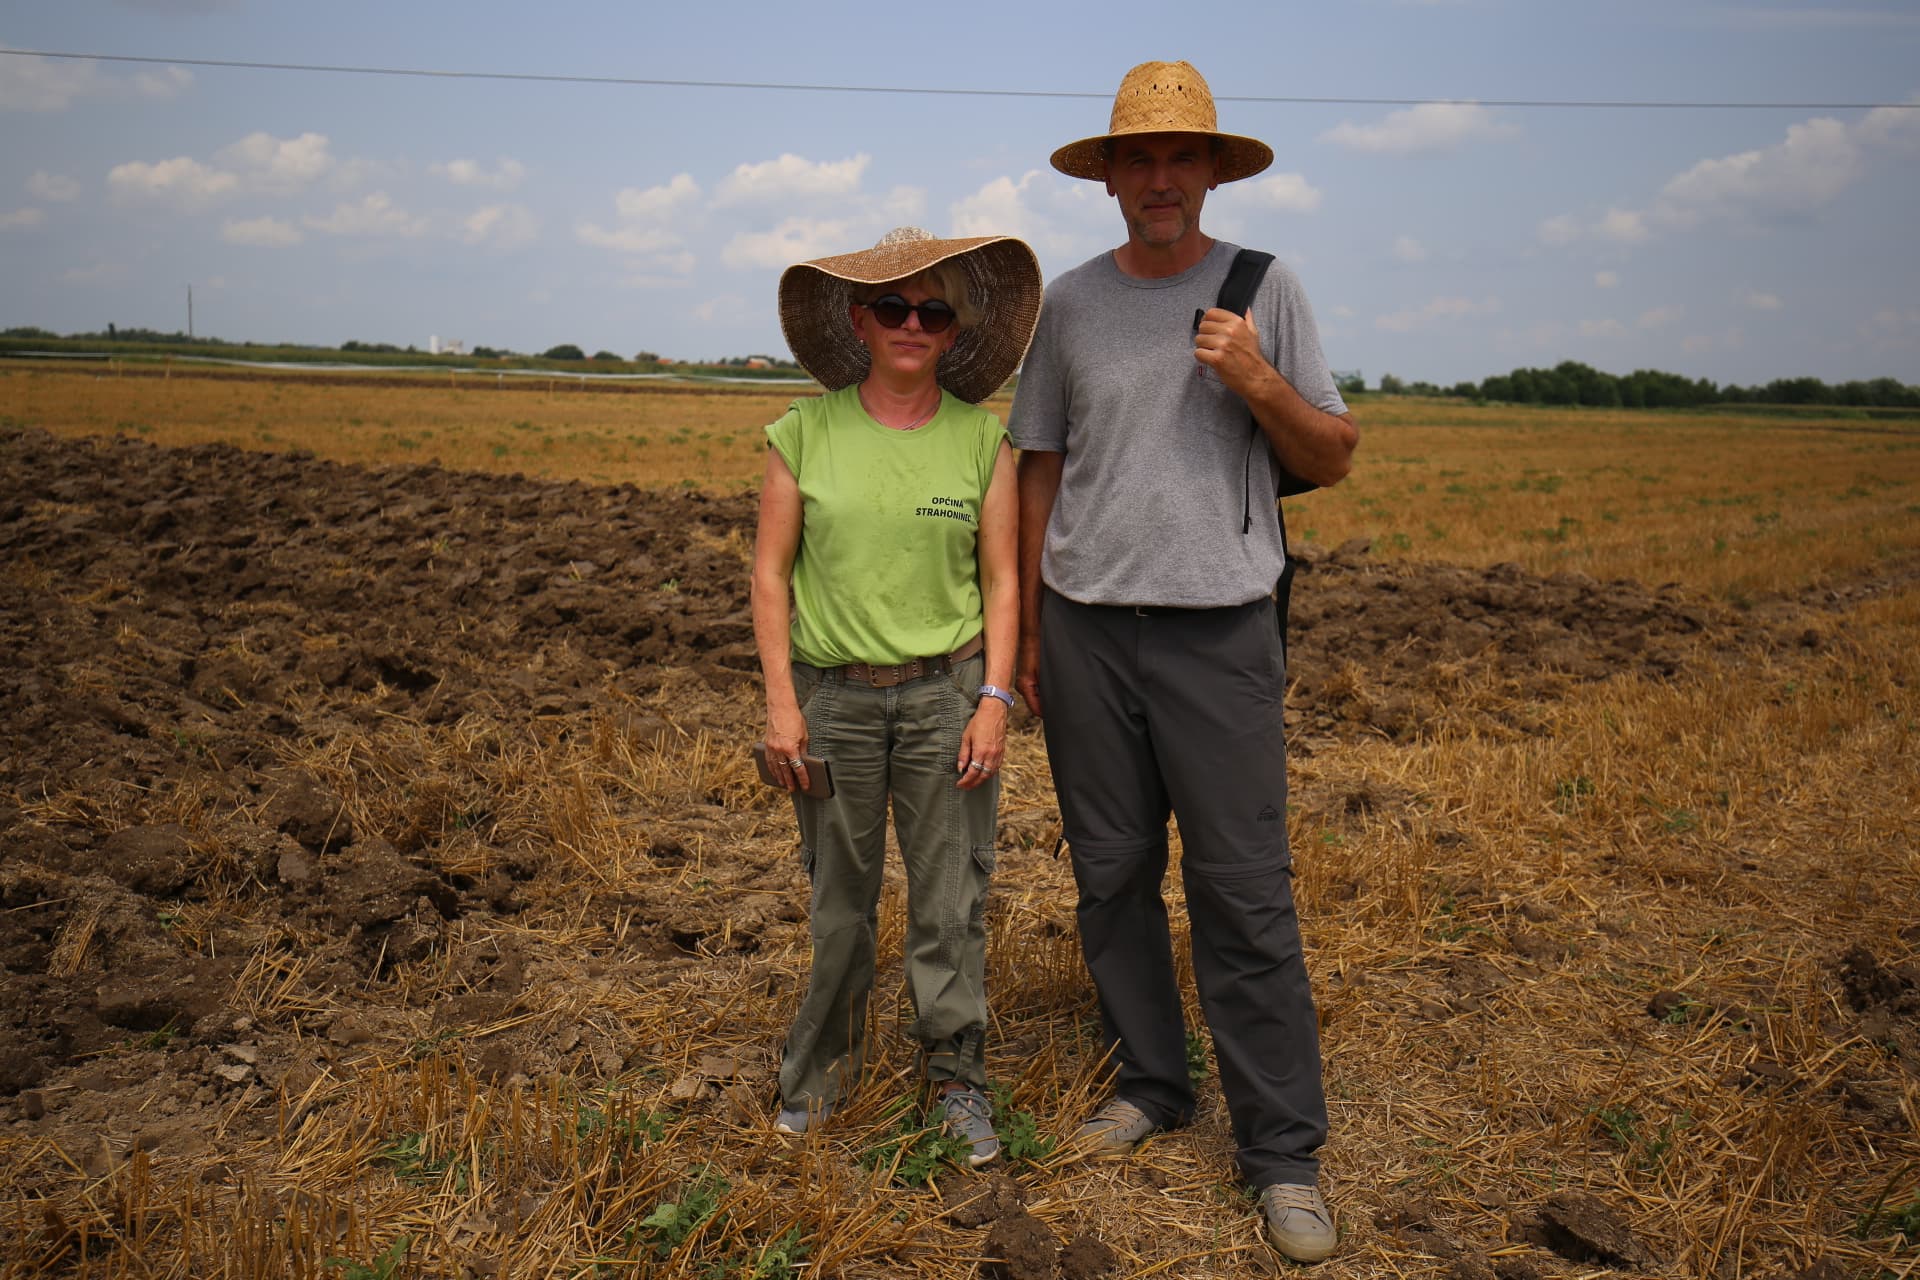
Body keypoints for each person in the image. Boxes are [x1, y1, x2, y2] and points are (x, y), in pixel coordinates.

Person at [1008, 61, 1359, 1262]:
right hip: (1089, 627)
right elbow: (1041, 465)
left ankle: (1281, 1153)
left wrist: (1253, 373)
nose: (1158, 179)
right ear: (1108, 179)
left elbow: (1336, 450)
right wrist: (1033, 634)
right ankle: (1155, 1083)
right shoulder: (1066, 304)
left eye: (1180, 158)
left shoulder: (1266, 289)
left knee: (1242, 890)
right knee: (1109, 876)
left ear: (1211, 171)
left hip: (1220, 629)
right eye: (1136, 159)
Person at [752, 226, 1041, 1167]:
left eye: (933, 312)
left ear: (954, 333)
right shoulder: (803, 433)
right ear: (858, 321)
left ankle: (956, 1079)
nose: (912, 325)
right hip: (832, 701)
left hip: (945, 700)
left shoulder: (980, 439)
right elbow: (769, 577)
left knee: (949, 899)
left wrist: (994, 699)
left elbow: (1003, 583)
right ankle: (820, 1072)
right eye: (893, 309)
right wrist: (783, 705)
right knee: (840, 898)